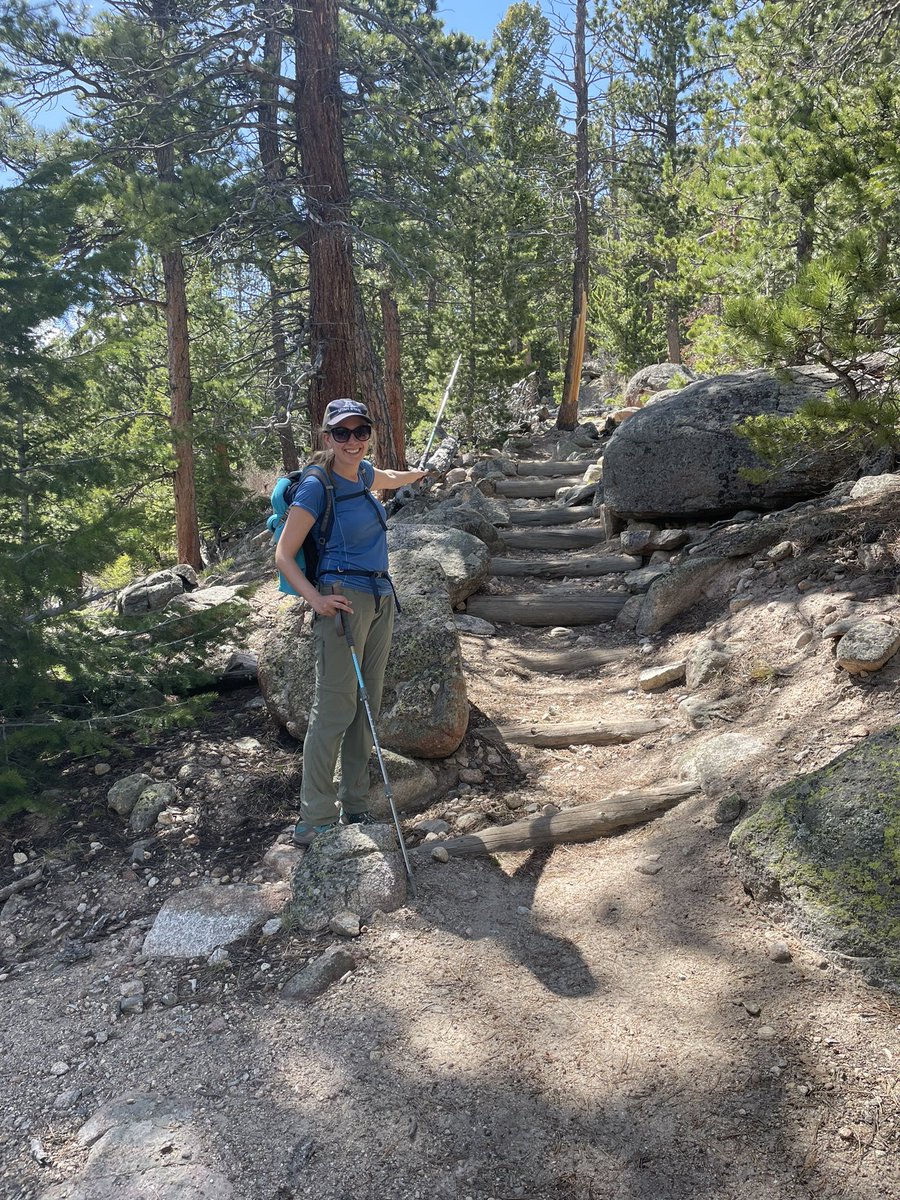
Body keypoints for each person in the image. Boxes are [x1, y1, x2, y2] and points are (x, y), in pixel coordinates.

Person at [274, 398, 428, 845]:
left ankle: (356, 807)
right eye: (342, 433)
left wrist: (419, 473)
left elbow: (390, 478)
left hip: (381, 597)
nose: (353, 441)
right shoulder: (316, 487)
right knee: (335, 708)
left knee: (367, 706)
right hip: (343, 598)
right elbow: (283, 555)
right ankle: (314, 818)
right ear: (327, 437)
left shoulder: (361, 473)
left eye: (361, 432)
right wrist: (316, 599)